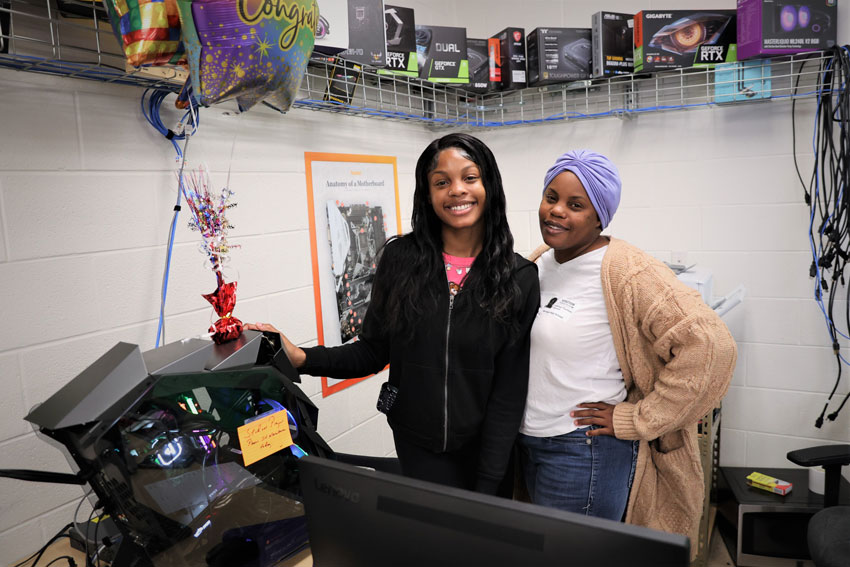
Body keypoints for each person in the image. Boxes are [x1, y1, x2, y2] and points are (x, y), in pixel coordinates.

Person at [247, 133, 540, 495]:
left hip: (487, 452)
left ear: (489, 185)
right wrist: (300, 357)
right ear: (427, 193)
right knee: (428, 545)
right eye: (441, 182)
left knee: (477, 547)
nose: (457, 190)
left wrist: (491, 478)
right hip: (417, 447)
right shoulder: (401, 260)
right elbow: (372, 350)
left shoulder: (518, 278)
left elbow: (509, 392)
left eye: (470, 177)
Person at [518, 150, 736, 548]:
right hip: (530, 445)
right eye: (551, 197)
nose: (556, 211)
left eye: (575, 205)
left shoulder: (629, 272)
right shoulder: (539, 263)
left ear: (600, 216)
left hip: (583, 451)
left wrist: (639, 418)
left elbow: (711, 346)